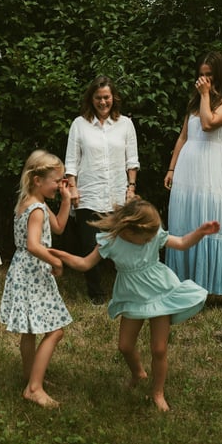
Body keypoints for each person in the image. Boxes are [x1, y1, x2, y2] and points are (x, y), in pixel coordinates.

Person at [49, 197, 219, 411]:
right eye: (146, 237)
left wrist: (200, 232)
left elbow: (183, 243)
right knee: (125, 346)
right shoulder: (110, 241)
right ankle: (138, 372)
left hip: (160, 294)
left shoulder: (152, 235)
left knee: (159, 349)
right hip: (131, 297)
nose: (150, 240)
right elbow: (84, 264)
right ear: (129, 231)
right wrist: (59, 254)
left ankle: (157, 392)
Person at [164, 51, 222, 313]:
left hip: (209, 173)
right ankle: (186, 286)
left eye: (209, 74)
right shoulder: (195, 103)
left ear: (218, 75)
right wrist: (172, 168)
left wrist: (206, 94)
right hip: (187, 171)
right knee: (185, 225)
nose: (204, 79)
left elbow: (208, 125)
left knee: (214, 225)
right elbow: (184, 137)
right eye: (201, 74)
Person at [0, 149, 72, 409]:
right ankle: (34, 388)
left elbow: (60, 228)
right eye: (57, 181)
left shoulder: (30, 202)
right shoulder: (37, 209)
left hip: (23, 271)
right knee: (56, 330)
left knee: (30, 330)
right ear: (37, 180)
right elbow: (33, 244)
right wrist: (56, 261)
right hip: (33, 272)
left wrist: (66, 200)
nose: (60, 185)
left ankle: (31, 377)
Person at [65, 75, 140, 305]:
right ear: (91, 99)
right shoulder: (79, 124)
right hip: (89, 193)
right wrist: (73, 188)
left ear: (113, 98)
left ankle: (124, 290)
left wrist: (131, 188)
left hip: (118, 194)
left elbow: (132, 160)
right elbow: (71, 161)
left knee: (122, 244)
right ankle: (96, 293)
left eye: (106, 97)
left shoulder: (125, 124)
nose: (103, 102)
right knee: (90, 245)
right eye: (98, 98)